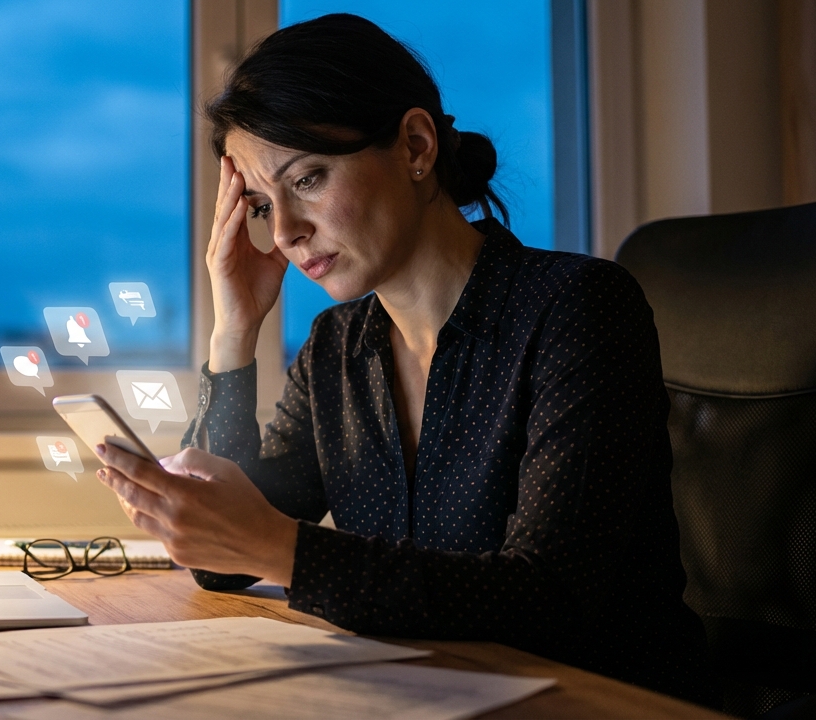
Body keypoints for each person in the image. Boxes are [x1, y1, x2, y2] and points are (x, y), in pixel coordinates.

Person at [93, 13, 717, 706]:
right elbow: (222, 562)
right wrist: (233, 332)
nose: (288, 232)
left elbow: (549, 599)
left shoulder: (577, 308)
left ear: (416, 146)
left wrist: (281, 548)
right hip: (425, 698)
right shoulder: (336, 348)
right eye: (265, 206)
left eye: (309, 179)